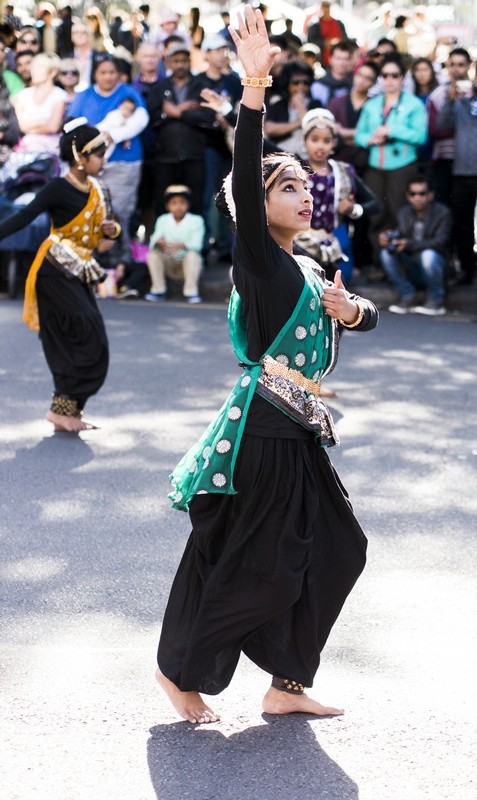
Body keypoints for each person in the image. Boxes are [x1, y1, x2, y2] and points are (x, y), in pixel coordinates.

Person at [155, 6, 379, 725]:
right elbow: (245, 172)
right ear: (258, 203)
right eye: (286, 187)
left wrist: (354, 314)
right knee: (254, 564)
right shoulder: (258, 260)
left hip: (300, 430)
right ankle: (180, 672)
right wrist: (255, 87)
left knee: (340, 548)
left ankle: (285, 686)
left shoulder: (307, 269)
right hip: (261, 434)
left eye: (303, 187)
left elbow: (359, 314)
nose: (301, 192)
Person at [0, 118, 118, 431]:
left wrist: (112, 230)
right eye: (99, 155)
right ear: (81, 156)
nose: (103, 161)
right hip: (53, 272)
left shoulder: (98, 189)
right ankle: (63, 410)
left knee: (91, 341)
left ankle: (65, 411)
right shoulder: (57, 188)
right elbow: (24, 216)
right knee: (75, 336)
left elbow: (109, 232)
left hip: (80, 271)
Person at [69, 54, 149, 281]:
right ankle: (93, 265)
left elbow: (140, 119)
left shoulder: (128, 93)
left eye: (112, 72)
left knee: (118, 215)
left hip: (124, 163)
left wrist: (115, 135)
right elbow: (72, 124)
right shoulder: (84, 95)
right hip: (90, 165)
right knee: (92, 214)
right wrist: (95, 137)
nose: (108, 76)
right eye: (103, 72)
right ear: (95, 73)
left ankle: (120, 266)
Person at [354, 54, 427, 266]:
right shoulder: (372, 104)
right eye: (385, 75)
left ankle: (402, 265)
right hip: (375, 167)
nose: (389, 79)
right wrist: (371, 139)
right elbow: (359, 135)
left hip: (402, 166)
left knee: (399, 214)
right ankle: (381, 264)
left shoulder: (413, 104)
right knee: (376, 217)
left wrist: (392, 130)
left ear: (402, 77)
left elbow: (421, 136)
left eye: (394, 75)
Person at [295, 107, 379, 282]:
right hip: (298, 242)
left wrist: (352, 209)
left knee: (337, 284)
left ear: (333, 144)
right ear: (305, 141)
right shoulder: (294, 169)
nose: (320, 146)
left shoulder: (343, 172)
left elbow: (374, 204)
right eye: (314, 139)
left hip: (333, 242)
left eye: (326, 140)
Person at [146, 42, 211, 218]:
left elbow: (208, 117)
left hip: (193, 154)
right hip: (165, 155)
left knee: (195, 202)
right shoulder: (160, 87)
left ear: (190, 61)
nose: (180, 65)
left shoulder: (200, 86)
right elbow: (151, 118)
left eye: (184, 61)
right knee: (162, 200)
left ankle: (195, 243)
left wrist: (177, 112)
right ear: (169, 62)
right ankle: (162, 243)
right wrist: (169, 114)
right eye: (176, 61)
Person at [379, 175, 451, 315]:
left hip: (437, 267)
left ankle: (435, 299)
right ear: (407, 196)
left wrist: (408, 244)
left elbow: (440, 242)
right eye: (413, 194)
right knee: (386, 253)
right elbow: (399, 233)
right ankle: (407, 295)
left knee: (428, 255)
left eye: (422, 193)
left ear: (430, 195)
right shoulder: (404, 213)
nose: (417, 197)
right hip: (413, 266)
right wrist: (389, 238)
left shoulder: (443, 213)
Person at [438, 71, 477, 286]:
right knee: (462, 225)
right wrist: (449, 100)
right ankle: (467, 270)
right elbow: (443, 124)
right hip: (462, 172)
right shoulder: (462, 103)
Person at [145, 183, 205, 303]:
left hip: (187, 265)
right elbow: (153, 241)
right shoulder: (162, 220)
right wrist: (159, 242)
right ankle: (158, 290)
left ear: (188, 205)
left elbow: (198, 245)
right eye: (174, 203)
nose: (178, 207)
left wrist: (182, 245)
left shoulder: (196, 220)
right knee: (153, 254)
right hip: (169, 262)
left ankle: (191, 292)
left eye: (182, 202)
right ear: (168, 206)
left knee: (193, 255)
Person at [13, 52, 67, 155]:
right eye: (33, 67)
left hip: (51, 150)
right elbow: (21, 126)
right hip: (26, 149)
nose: (33, 71)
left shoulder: (60, 95)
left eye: (39, 67)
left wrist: (30, 127)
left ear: (53, 72)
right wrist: (44, 122)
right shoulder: (23, 95)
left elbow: (53, 127)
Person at [310, 41, 353, 108]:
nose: (342, 63)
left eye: (346, 59)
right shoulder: (318, 85)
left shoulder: (354, 86)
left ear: (350, 61)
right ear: (330, 59)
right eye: (338, 58)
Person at [306, 2, 347, 67]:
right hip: (321, 60)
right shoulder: (315, 25)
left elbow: (345, 39)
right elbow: (310, 40)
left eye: (327, 7)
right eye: (324, 7)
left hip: (337, 59)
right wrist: (325, 43)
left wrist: (337, 42)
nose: (326, 10)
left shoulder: (339, 24)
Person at [97, 95, 136, 159]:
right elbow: (119, 127)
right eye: (125, 108)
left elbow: (123, 132)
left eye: (130, 110)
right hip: (101, 131)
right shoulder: (115, 114)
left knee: (106, 152)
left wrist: (127, 139)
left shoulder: (127, 121)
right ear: (119, 106)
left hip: (110, 139)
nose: (126, 112)